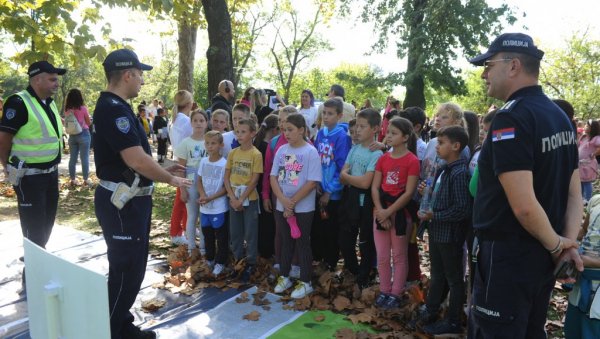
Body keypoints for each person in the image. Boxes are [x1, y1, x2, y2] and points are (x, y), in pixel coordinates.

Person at [468, 33, 582, 338]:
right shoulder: (559, 117)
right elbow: (574, 194)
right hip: (544, 253)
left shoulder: (511, 119)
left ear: (513, 65)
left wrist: (560, 246)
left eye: (489, 65)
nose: (484, 74)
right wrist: (564, 245)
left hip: (508, 256)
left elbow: (523, 205)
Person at [93, 48, 191, 339]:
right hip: (123, 204)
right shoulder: (113, 109)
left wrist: (162, 164)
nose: (143, 83)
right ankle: (110, 330)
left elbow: (135, 158)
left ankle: (119, 324)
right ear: (127, 74)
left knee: (132, 268)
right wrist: (169, 178)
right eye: (140, 76)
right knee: (126, 269)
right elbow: (135, 160)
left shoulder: (117, 106)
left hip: (131, 200)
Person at [0, 60, 66, 292]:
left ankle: (38, 262)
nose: (56, 83)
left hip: (50, 175)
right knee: (34, 228)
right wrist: (5, 166)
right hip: (29, 177)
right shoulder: (18, 103)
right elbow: (4, 138)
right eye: (52, 79)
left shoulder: (48, 102)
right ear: (36, 79)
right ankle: (33, 280)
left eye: (57, 79)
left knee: (46, 224)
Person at [414, 126, 472, 336]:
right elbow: (439, 198)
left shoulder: (459, 173)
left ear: (456, 146)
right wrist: (426, 193)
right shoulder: (443, 169)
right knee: (438, 275)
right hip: (437, 234)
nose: (437, 147)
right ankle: (430, 311)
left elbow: (462, 209)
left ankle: (453, 321)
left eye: (441, 143)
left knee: (454, 280)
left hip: (450, 236)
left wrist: (434, 216)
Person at [271, 113, 322, 298]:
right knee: (286, 241)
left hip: (303, 208)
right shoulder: (282, 150)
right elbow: (273, 177)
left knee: (302, 243)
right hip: (282, 206)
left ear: (302, 130)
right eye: (284, 130)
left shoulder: (310, 152)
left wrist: (292, 202)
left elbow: (312, 182)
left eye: (290, 130)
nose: (286, 133)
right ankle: (285, 276)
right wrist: (283, 200)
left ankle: (306, 281)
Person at [371, 117, 420, 309]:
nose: (388, 136)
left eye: (394, 133)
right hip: (380, 212)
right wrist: (380, 212)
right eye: (388, 132)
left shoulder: (412, 161)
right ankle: (384, 290)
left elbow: (409, 192)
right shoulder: (383, 159)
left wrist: (389, 211)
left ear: (405, 137)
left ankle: (396, 293)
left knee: (399, 255)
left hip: (400, 214)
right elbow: (375, 187)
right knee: (382, 255)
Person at [339, 109, 383, 288]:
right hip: (350, 198)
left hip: (365, 201)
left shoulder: (377, 154)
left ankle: (364, 276)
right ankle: (353, 270)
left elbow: (365, 183)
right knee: (345, 238)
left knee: (365, 240)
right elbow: (342, 174)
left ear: (375, 129)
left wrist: (349, 178)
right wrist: (349, 178)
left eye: (362, 126)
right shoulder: (355, 148)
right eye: (356, 126)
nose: (357, 130)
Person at [313, 98, 352, 271]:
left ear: (339, 115)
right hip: (318, 189)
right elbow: (315, 159)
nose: (326, 117)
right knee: (318, 227)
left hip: (333, 193)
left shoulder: (342, 137)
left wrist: (330, 191)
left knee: (331, 228)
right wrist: (315, 183)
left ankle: (330, 261)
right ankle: (318, 258)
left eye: (330, 114)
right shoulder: (321, 134)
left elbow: (342, 166)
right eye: (324, 113)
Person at [224, 118, 263, 282]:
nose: (239, 135)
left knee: (250, 233)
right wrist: (233, 198)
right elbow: (226, 177)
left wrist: (242, 199)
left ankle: (250, 263)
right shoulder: (233, 153)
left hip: (250, 200)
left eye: (243, 132)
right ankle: (238, 261)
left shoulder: (256, 154)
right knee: (235, 233)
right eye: (237, 132)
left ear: (252, 133)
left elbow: (254, 180)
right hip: (234, 200)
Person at [564, 194, 600, 338]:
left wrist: (587, 261)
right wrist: (564, 241)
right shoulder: (596, 200)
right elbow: (583, 232)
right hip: (580, 279)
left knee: (593, 329)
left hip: (596, 289)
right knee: (574, 328)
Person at [174, 109, 208, 254]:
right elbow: (181, 168)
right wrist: (182, 189)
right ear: (191, 123)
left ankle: (204, 248)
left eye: (202, 120)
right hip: (191, 183)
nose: (198, 123)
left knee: (204, 216)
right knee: (192, 215)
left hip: (207, 184)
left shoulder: (210, 141)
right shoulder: (185, 143)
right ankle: (191, 247)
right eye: (195, 120)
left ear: (207, 123)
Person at [197, 131, 229, 276]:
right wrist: (203, 195)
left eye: (213, 143)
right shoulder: (203, 161)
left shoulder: (225, 163)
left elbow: (225, 188)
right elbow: (198, 180)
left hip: (219, 208)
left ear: (221, 145)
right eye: (207, 143)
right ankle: (209, 259)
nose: (210, 146)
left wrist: (211, 198)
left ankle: (221, 262)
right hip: (205, 208)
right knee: (207, 235)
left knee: (221, 237)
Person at [169, 90, 194, 245]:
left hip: (179, 161)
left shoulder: (175, 119)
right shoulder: (185, 121)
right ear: (190, 104)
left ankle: (185, 226)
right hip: (185, 163)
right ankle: (175, 232)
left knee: (185, 197)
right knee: (181, 198)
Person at [254, 114, 280, 260]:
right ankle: (267, 250)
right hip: (267, 186)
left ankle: (262, 249)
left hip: (258, 186)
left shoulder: (257, 143)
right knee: (268, 221)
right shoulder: (267, 147)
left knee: (262, 219)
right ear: (275, 129)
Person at [64, 88, 92, 186]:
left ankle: (73, 180)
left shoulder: (67, 109)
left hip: (72, 136)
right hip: (84, 133)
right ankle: (86, 179)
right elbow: (88, 123)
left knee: (72, 158)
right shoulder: (83, 108)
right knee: (84, 158)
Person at [579, 119, 600, 203]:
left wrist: (593, 154)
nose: (585, 127)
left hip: (587, 164)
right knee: (580, 182)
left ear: (593, 128)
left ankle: (588, 200)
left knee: (587, 182)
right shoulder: (585, 136)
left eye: (587, 126)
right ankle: (581, 199)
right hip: (580, 164)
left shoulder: (596, 138)